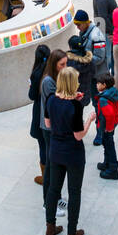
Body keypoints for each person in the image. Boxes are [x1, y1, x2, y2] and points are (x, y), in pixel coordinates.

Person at [44, 65, 95, 235]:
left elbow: (48, 123)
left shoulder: (50, 99)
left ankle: (50, 226)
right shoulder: (75, 106)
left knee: (53, 189)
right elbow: (78, 135)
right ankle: (71, 232)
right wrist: (89, 120)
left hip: (56, 151)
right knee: (74, 192)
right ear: (72, 84)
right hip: (73, 154)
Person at [67, 9, 107, 144]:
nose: (77, 28)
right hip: (87, 75)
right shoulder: (83, 32)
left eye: (79, 25)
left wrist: (83, 61)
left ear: (85, 23)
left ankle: (100, 133)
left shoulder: (97, 35)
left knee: (98, 105)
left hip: (97, 77)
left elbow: (100, 57)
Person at [39, 46, 69, 211]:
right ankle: (48, 202)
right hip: (50, 129)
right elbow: (56, 104)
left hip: (55, 128)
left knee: (56, 166)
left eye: (66, 64)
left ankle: (55, 198)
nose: (64, 67)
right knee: (51, 167)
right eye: (61, 65)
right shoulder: (48, 81)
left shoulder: (56, 78)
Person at [28, 43, 50, 186]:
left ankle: (45, 176)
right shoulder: (53, 71)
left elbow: (32, 95)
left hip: (40, 112)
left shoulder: (36, 73)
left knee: (43, 144)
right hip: (52, 111)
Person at [95, 72, 118, 180]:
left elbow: (109, 114)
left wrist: (108, 128)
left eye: (98, 83)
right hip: (112, 124)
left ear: (104, 85)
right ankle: (107, 163)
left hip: (107, 127)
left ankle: (113, 169)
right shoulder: (113, 92)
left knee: (109, 146)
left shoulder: (103, 99)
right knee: (107, 144)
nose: (96, 85)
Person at [92, 0, 117, 71]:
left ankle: (116, 72)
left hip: (107, 28)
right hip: (106, 31)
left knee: (114, 53)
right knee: (108, 56)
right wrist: (112, 32)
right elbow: (103, 18)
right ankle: (106, 76)